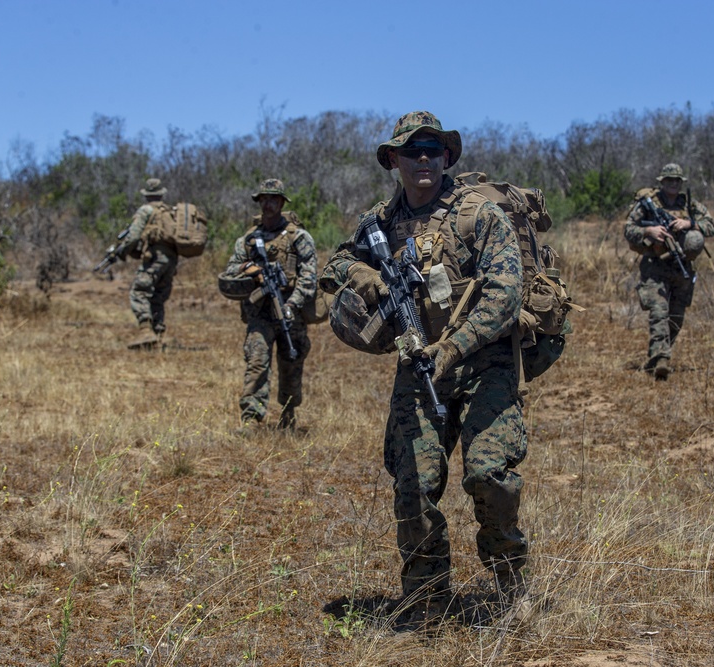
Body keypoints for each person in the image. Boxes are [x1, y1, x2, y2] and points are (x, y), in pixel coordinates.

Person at [320, 111, 528, 622]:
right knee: (413, 482)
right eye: (412, 151)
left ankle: (511, 586)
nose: (423, 160)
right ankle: (426, 598)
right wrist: (368, 276)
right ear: (393, 160)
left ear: (446, 157)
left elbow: (505, 295)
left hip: (486, 363)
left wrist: (453, 348)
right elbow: (334, 267)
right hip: (417, 365)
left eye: (432, 150)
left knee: (488, 475)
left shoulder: (477, 215)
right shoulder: (381, 222)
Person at [223, 179, 317, 429]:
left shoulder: (299, 237)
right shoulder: (249, 239)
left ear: (282, 202)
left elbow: (309, 277)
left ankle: (288, 415)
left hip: (290, 312)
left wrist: (292, 304)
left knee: (291, 363)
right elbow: (230, 270)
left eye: (273, 199)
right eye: (263, 199)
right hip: (260, 313)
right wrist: (249, 268)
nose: (268, 203)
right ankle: (251, 418)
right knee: (256, 361)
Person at [624, 163, 714, 380]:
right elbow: (628, 229)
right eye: (668, 180)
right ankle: (661, 359)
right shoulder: (646, 205)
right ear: (661, 182)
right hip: (654, 266)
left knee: (676, 316)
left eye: (677, 181)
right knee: (658, 312)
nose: (673, 184)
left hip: (681, 265)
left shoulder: (690, 205)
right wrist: (649, 230)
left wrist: (689, 224)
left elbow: (711, 226)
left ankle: (656, 357)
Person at [118, 178, 180, 350]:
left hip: (154, 258)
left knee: (139, 291)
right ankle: (159, 334)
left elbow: (134, 236)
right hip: (171, 261)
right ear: (161, 193)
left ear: (146, 194)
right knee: (158, 297)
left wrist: (123, 251)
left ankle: (145, 330)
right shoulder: (170, 211)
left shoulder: (145, 210)